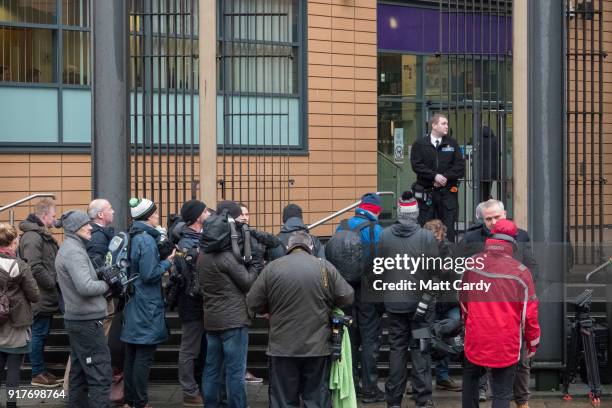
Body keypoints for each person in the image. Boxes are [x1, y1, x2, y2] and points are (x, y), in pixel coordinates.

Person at [247, 231, 354, 406]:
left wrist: (269, 310)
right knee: (316, 398)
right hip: (317, 347)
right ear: (311, 247)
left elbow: (252, 301)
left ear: (288, 247)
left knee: (283, 400)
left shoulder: (273, 267)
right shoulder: (324, 267)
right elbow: (347, 296)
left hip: (282, 348)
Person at [458, 199, 539, 406]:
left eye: (497, 217)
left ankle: (522, 400)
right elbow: (528, 313)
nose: (493, 222)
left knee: (472, 381)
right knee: (501, 391)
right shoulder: (521, 272)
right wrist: (532, 341)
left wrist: (466, 322)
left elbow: (463, 299)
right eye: (488, 218)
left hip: (481, 329)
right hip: (506, 331)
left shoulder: (474, 263)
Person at [379, 192, 439, 408]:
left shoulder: (385, 236)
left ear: (399, 212)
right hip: (420, 308)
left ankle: (393, 399)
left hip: (395, 304)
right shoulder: (426, 237)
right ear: (416, 213)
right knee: (421, 349)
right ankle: (423, 399)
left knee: (397, 349)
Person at [198, 200, 259, 408]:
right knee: (235, 371)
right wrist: (255, 265)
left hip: (212, 319)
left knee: (212, 368)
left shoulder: (202, 256)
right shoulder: (227, 258)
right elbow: (248, 282)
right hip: (233, 321)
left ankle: (211, 404)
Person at [328, 192, 384, 402]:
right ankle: (370, 390)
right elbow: (381, 262)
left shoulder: (341, 226)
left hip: (343, 291)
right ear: (375, 211)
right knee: (370, 340)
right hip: (368, 291)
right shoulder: (375, 229)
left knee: (349, 338)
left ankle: (351, 384)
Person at [121, 198, 175, 408]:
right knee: (143, 355)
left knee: (132, 354)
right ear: (149, 216)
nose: (158, 215)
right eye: (155, 212)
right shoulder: (146, 239)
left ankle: (130, 399)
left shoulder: (132, 234)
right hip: (146, 304)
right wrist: (167, 261)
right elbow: (150, 273)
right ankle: (140, 402)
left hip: (134, 301)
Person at [55, 210, 112, 408]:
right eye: (86, 225)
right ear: (74, 229)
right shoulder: (74, 252)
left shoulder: (72, 248)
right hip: (86, 323)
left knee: (79, 373)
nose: (90, 227)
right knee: (100, 375)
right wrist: (108, 286)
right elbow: (86, 287)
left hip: (80, 321)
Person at [18, 198, 63, 387]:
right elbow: (34, 267)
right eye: (53, 215)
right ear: (44, 216)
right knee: (38, 333)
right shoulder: (33, 236)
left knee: (41, 333)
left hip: (44, 296)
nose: (55, 219)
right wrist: (52, 283)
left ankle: (41, 371)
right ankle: (37, 373)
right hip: (40, 296)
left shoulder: (37, 234)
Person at [0, 223, 40, 408]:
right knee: (14, 368)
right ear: (14, 243)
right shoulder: (21, 266)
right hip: (16, 322)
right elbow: (34, 295)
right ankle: (11, 403)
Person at [410, 113, 465, 241]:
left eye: (447, 123)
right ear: (434, 125)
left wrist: (443, 178)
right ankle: (426, 258)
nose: (447, 126)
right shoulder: (420, 144)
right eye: (443, 123)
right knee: (425, 228)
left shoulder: (452, 144)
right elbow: (416, 165)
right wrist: (434, 176)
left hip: (447, 195)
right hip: (427, 194)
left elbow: (460, 167)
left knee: (448, 229)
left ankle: (448, 258)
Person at [175, 199, 209, 406]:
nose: (209, 213)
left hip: (201, 303)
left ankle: (199, 386)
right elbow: (189, 274)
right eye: (205, 211)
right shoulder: (187, 242)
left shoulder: (197, 237)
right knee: (190, 348)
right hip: (191, 303)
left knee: (201, 348)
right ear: (197, 217)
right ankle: (189, 390)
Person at [423, 219, 462, 393]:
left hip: (448, 301)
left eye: (436, 236)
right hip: (429, 301)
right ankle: (422, 378)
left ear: (442, 234)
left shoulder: (450, 250)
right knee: (423, 338)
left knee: (448, 335)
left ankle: (442, 376)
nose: (434, 240)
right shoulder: (420, 249)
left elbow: (453, 272)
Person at [477, 125, 499, 202]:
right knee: (487, 191)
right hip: (491, 171)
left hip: (481, 171)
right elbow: (499, 153)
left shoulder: (479, 140)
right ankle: (488, 203)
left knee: (480, 193)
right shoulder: (495, 140)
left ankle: (482, 207)